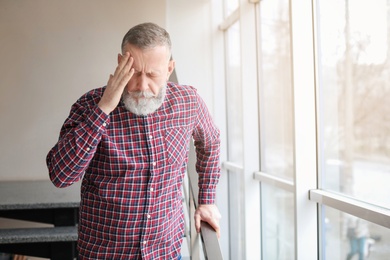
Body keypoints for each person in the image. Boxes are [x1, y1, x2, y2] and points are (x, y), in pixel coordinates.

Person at [46, 22, 221, 259]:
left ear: (169, 69)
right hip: (103, 254)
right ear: (120, 63)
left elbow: (210, 142)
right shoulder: (89, 104)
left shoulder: (189, 102)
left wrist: (207, 199)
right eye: (134, 72)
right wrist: (104, 108)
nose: (142, 86)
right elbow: (61, 176)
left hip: (165, 252)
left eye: (152, 75)